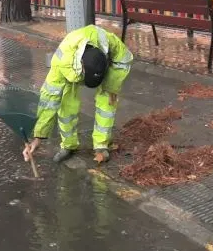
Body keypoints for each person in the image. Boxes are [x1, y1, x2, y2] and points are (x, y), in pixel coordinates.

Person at [23, 25, 133, 164]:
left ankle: (101, 145)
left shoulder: (111, 43)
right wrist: (38, 137)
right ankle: (68, 145)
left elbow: (124, 60)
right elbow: (49, 99)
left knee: (108, 101)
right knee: (66, 103)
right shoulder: (62, 61)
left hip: (96, 66)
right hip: (70, 69)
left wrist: (112, 85)